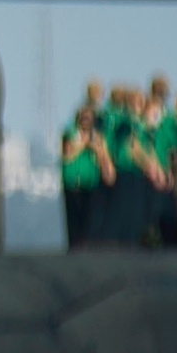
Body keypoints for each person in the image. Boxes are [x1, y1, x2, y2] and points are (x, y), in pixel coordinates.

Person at [59, 97, 112, 250]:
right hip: (73, 182)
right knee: (74, 217)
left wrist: (96, 147)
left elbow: (103, 155)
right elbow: (68, 154)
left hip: (90, 182)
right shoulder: (70, 133)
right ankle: (74, 245)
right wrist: (83, 144)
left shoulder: (97, 136)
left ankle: (86, 244)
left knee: (89, 218)